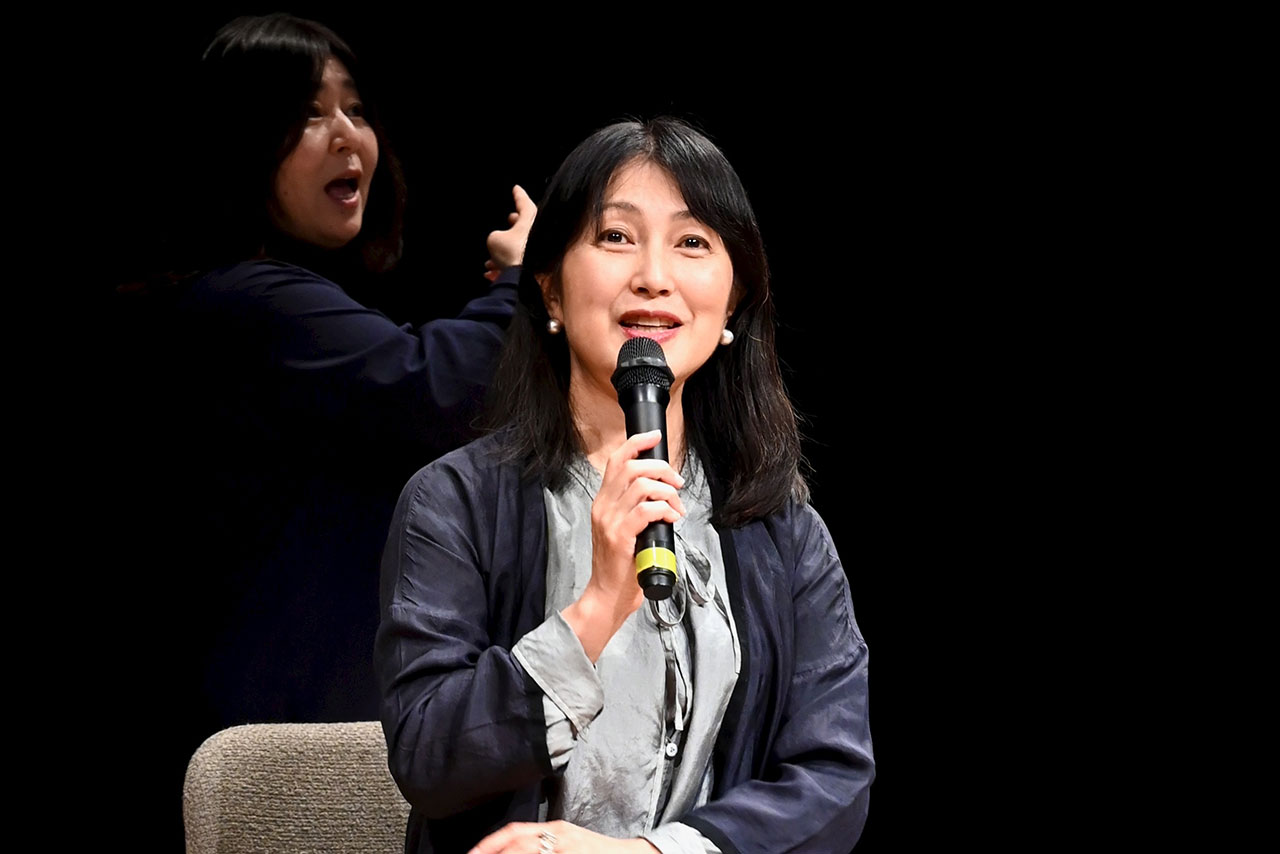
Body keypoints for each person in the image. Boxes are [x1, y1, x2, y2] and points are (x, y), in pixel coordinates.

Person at [376, 118, 873, 854]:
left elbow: (834, 779)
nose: (653, 276)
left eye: (692, 242)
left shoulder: (784, 533)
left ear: (733, 302)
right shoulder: (453, 503)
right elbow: (428, 757)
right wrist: (597, 607)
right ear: (549, 289)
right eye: (616, 236)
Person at [102, 12, 533, 847]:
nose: (346, 135)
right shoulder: (244, 303)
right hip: (275, 748)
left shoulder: (283, 301)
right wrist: (522, 283)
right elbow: (436, 389)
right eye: (308, 113)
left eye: (356, 109)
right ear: (237, 144)